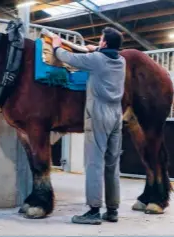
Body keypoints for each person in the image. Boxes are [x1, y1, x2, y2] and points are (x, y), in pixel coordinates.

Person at [52, 27, 126, 225]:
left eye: (101, 39)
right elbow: (102, 56)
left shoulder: (96, 61)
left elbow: (68, 58)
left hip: (98, 115)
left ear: (104, 43)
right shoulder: (121, 61)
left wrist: (57, 46)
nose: (99, 42)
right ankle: (112, 210)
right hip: (116, 115)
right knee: (112, 164)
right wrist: (95, 49)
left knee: (94, 163)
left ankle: (93, 211)